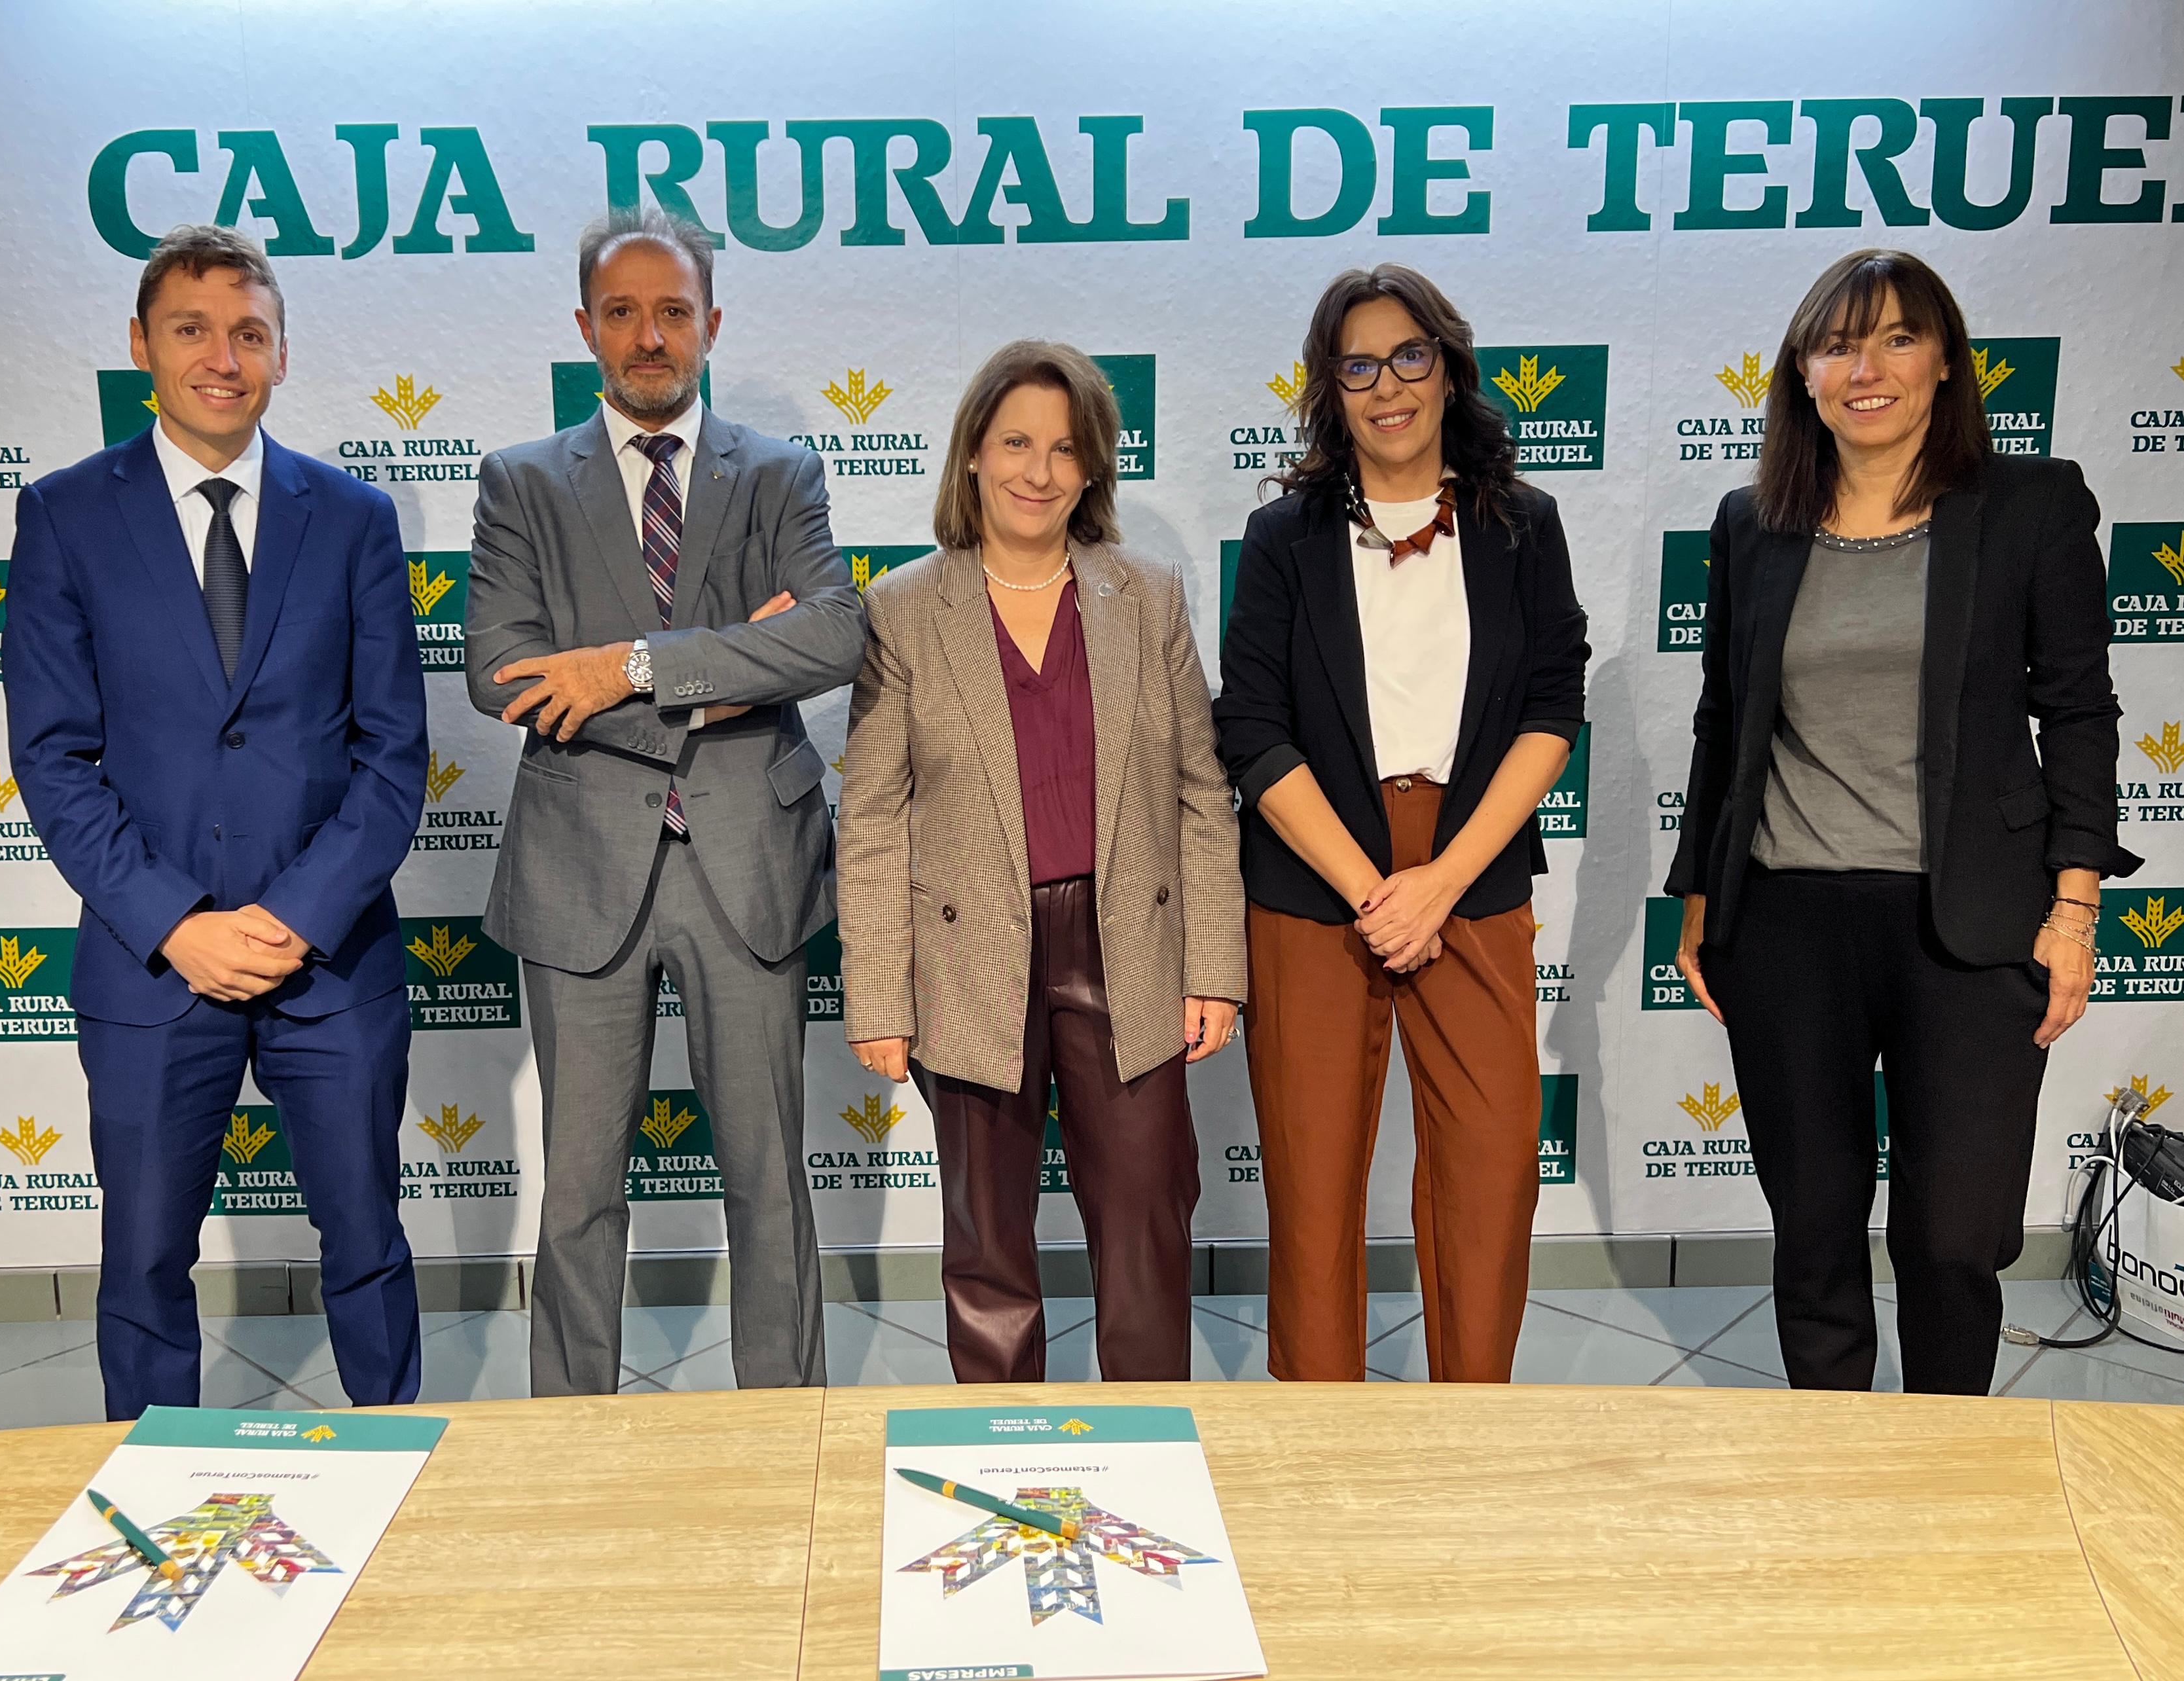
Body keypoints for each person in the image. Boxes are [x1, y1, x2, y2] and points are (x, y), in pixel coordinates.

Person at [1667, 248, 2137, 1396]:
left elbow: (2079, 712)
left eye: (1894, 339)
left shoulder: (2029, 504)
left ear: (1943, 363)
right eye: (1836, 345)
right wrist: (1698, 899)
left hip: (1970, 925)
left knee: (1952, 1235)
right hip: (1784, 919)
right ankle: (1835, 1461)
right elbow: (1724, 721)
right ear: (1802, 372)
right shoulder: (1751, 521)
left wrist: (2074, 909)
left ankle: (1945, 1462)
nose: (1863, 369)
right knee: (1813, 1226)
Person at [3, 225, 426, 1419]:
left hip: (331, 961)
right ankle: (151, 1488)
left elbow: (393, 754)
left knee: (368, 1245)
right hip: (151, 966)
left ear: (282, 353)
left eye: (249, 333)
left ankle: (405, 1465)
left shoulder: (352, 517)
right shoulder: (65, 516)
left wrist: (294, 918)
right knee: (143, 1263)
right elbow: (54, 759)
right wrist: (178, 924)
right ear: (141, 345)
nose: (222, 358)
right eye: (192, 329)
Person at [467, 208, 863, 1395]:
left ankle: (786, 1428)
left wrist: (625, 669)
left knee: (768, 1177)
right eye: (624, 312)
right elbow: (502, 673)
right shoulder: (521, 482)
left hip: (750, 866)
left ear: (712, 324)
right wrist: (734, 666)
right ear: (584, 326)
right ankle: (571, 1430)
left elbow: (832, 638)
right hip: (580, 871)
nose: (650, 336)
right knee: (580, 1188)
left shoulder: (781, 474)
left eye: (674, 312)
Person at [838, 339, 1245, 1383]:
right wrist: (878, 994)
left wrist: (1213, 967)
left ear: (1093, 466)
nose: (1039, 470)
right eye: (1016, 442)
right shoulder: (901, 609)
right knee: (986, 1235)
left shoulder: (1148, 596)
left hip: (1127, 944)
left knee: (1147, 1215)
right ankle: (999, 1441)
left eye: (1066, 448)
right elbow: (872, 815)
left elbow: (1200, 790)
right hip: (969, 954)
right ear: (973, 452)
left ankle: (1147, 1435)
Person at [1214, 264, 1589, 1384]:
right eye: (1358, 366)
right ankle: (1319, 1431)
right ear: (1329, 389)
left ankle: (1469, 1422)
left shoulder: (1523, 524)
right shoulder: (1282, 535)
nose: (1388, 387)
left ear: (1448, 367)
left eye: (1408, 356)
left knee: (1491, 1169)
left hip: (1471, 874)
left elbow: (1552, 708)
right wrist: (1371, 889)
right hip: (1314, 882)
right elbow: (1251, 729)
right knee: (1312, 1180)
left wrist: (1439, 881)